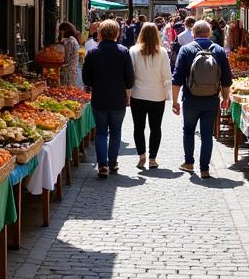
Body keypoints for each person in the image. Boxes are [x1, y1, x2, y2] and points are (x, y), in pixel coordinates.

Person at [172, 19, 233, 179]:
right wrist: (225, 98)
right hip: (211, 99)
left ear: (193, 33)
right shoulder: (219, 50)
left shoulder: (186, 50)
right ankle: (204, 169)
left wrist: (174, 101)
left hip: (191, 99)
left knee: (189, 130)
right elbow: (227, 79)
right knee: (207, 134)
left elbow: (177, 78)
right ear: (210, 33)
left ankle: (189, 162)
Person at [82, 19, 134, 178]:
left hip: (99, 98)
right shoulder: (124, 51)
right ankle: (113, 163)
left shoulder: (92, 52)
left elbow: (86, 79)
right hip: (118, 99)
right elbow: (130, 79)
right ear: (117, 33)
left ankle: (102, 165)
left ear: (100, 33)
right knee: (116, 132)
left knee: (101, 132)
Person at [129, 22, 172, 170]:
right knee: (156, 127)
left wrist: (128, 93)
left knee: (138, 127)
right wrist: (168, 95)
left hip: (138, 94)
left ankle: (142, 156)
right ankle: (153, 158)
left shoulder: (133, 51)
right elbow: (167, 76)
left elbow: (131, 75)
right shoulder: (163, 52)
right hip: (157, 95)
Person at [57, 22, 82, 88]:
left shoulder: (70, 41)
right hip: (72, 68)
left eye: (60, 31)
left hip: (69, 70)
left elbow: (66, 57)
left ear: (65, 30)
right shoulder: (72, 39)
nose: (59, 32)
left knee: (68, 88)